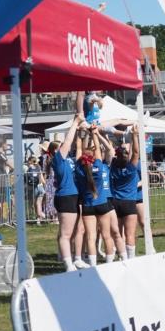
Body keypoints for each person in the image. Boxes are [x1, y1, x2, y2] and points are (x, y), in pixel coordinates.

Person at [75, 125, 116, 264]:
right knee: (107, 236)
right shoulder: (98, 165)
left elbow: (79, 149)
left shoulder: (79, 169)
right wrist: (94, 133)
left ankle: (93, 266)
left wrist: (79, 134)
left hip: (88, 206)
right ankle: (109, 263)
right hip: (102, 203)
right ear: (93, 158)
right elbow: (98, 149)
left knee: (91, 238)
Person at [49, 116, 84, 271]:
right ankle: (68, 265)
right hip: (66, 196)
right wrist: (75, 123)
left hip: (74, 196)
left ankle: (71, 258)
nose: (63, 147)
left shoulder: (68, 159)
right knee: (66, 234)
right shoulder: (57, 159)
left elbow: (76, 145)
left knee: (74, 230)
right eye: (59, 147)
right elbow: (68, 142)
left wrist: (83, 132)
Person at [109, 124, 141, 260]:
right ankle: (131, 258)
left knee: (118, 232)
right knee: (130, 233)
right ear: (127, 156)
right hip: (129, 202)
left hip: (116, 202)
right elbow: (136, 153)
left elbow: (110, 152)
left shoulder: (113, 166)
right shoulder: (131, 168)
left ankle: (122, 257)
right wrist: (134, 135)